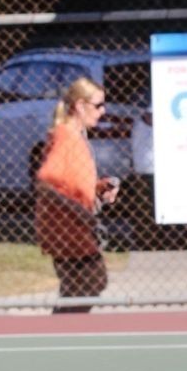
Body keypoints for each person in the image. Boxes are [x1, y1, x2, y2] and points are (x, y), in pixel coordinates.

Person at [33, 76, 118, 312]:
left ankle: (65, 329)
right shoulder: (66, 136)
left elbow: (70, 183)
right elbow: (45, 182)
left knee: (83, 288)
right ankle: (62, 330)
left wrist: (99, 188)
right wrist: (79, 212)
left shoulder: (76, 136)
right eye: (98, 105)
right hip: (66, 231)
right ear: (80, 106)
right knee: (89, 283)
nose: (103, 111)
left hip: (75, 230)